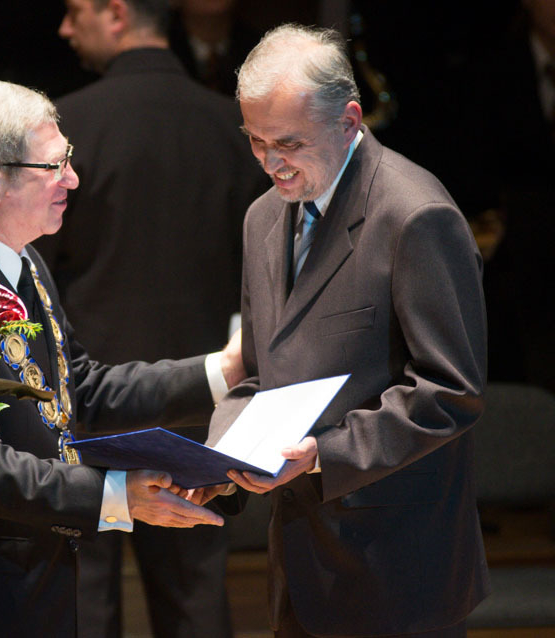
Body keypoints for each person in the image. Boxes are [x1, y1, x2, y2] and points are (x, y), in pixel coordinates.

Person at [0, 79, 243, 637]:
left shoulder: (21, 259)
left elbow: (75, 387)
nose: (73, 178)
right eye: (55, 165)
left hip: (31, 578)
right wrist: (115, 495)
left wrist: (222, 372)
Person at [199, 24, 489, 637]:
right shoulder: (261, 219)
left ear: (349, 119)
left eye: (289, 143)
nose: (271, 163)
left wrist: (321, 456)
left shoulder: (416, 214)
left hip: (399, 569)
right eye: (255, 141)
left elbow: (450, 391)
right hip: (300, 563)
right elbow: (260, 373)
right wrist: (218, 458)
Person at [42, 1, 265, 636]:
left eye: (75, 11)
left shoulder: (64, 130)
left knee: (84, 597)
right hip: (200, 397)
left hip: (86, 401)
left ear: (116, 13)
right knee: (196, 597)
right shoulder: (232, 127)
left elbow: (34, 276)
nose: (64, 27)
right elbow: (260, 274)